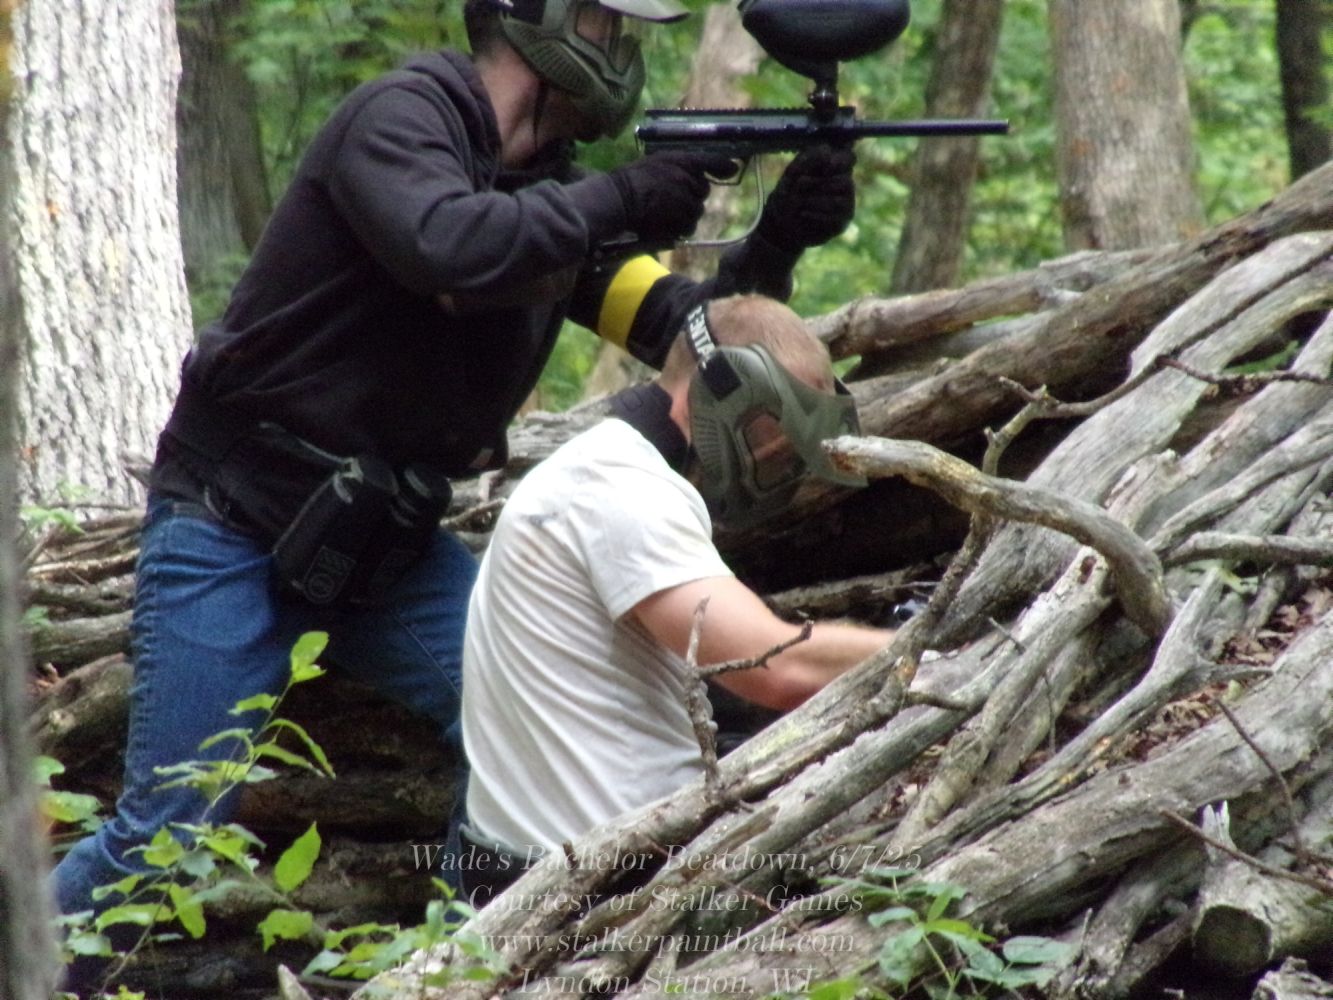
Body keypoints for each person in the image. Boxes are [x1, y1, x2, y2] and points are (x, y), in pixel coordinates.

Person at [50, 0, 858, 939]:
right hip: (230, 526)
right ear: (535, 19)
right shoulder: (400, 120)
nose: (620, 50)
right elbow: (448, 245)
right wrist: (625, 197)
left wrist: (775, 241)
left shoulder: (554, 204)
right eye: (604, 25)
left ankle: (454, 962)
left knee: (516, 725)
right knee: (166, 834)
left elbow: (689, 342)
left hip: (381, 551)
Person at [459, 294, 894, 903]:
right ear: (727, 390)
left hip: (543, 859)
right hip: (588, 886)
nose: (779, 454)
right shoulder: (619, 489)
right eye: (775, 428)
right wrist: (926, 645)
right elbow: (777, 668)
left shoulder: (601, 468)